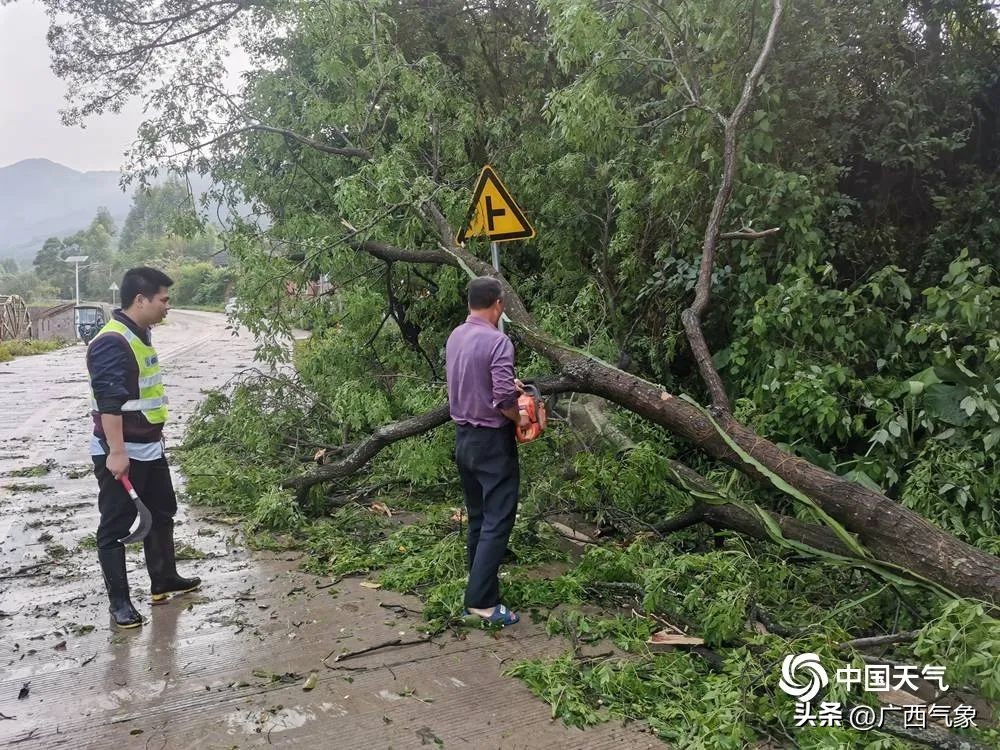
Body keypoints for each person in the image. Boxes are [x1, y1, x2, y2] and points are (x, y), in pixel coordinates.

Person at [87, 267, 200, 628]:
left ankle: (163, 579)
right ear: (141, 299)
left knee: (162, 511)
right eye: (164, 299)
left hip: (149, 446)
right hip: (123, 451)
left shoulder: (141, 332)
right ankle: (119, 604)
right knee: (115, 525)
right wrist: (116, 453)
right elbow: (109, 402)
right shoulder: (111, 341)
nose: (168, 305)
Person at [445, 276, 528, 627]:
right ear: (498, 304)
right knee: (498, 519)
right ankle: (481, 602)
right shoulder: (498, 342)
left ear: (470, 303)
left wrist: (510, 383)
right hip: (492, 443)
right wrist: (521, 415)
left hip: (463, 439)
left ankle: (480, 582)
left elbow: (472, 378)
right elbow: (503, 400)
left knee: (479, 517)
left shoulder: (456, 336)